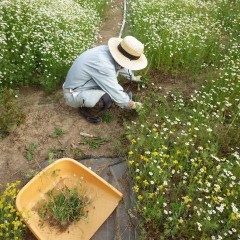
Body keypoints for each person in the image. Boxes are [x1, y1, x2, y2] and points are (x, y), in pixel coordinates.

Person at [63, 35, 148, 124]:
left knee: (112, 93)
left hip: (82, 83)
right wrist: (131, 104)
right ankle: (86, 112)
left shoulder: (107, 51)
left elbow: (123, 65)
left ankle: (92, 99)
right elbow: (114, 91)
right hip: (73, 93)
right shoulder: (103, 64)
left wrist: (133, 77)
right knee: (106, 98)